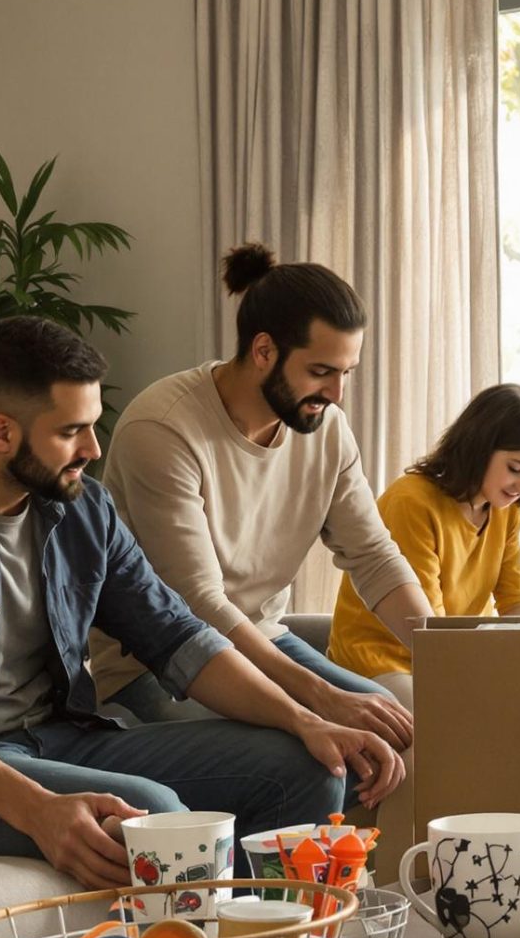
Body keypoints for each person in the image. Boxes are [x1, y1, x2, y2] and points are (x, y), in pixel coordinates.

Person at [0, 315, 401, 889]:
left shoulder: (82, 506)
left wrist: (309, 719)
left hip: (57, 736)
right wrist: (40, 810)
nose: (93, 447)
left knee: (307, 762)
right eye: (70, 432)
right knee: (154, 816)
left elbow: (177, 637)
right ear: (2, 431)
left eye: (93, 424)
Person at [91, 243, 433, 752]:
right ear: (264, 351)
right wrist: (321, 699)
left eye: (346, 373)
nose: (338, 394)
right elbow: (201, 605)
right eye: (321, 372)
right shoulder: (162, 429)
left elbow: (375, 559)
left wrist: (448, 660)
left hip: (263, 639)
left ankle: (349, 837)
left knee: (402, 730)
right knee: (319, 746)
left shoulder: (326, 430)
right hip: (162, 662)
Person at [327, 384, 520, 707]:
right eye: (516, 469)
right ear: (479, 447)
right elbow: (427, 624)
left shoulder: (506, 511)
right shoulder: (412, 502)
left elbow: (513, 598)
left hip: (457, 656)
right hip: (383, 660)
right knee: (458, 715)